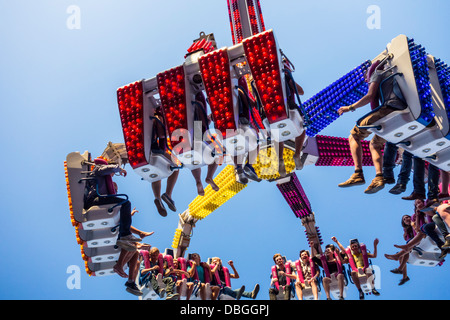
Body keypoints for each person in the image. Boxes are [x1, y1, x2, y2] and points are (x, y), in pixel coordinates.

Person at [337, 59, 407, 194]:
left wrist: (349, 107)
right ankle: (379, 177)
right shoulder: (395, 75)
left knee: (354, 136)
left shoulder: (377, 73)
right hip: (401, 113)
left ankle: (357, 173)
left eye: (365, 78)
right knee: (375, 144)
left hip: (388, 109)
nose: (365, 81)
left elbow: (370, 96)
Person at [84, 158, 144, 251]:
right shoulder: (97, 170)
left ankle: (123, 237)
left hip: (101, 199)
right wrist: (119, 169)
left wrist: (129, 213)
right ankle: (125, 235)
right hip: (95, 199)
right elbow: (107, 169)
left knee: (123, 206)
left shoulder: (105, 180)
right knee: (126, 203)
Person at [277, 58, 307, 175]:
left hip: (270, 109)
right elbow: (301, 91)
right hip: (288, 106)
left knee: (277, 134)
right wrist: (291, 80)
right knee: (301, 128)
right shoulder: (285, 75)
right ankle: (297, 154)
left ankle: (280, 158)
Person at [150, 107, 180, 217]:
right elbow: (162, 133)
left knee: (155, 174)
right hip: (156, 149)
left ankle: (157, 198)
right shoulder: (158, 118)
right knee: (176, 166)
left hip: (144, 153)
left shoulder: (143, 119)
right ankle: (168, 194)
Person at [190, 92, 220, 195]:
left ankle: (198, 181)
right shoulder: (198, 105)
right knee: (216, 155)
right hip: (198, 133)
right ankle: (209, 176)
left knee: (194, 161)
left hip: (185, 138)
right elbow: (204, 122)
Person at [388, 214, 415, 285]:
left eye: (407, 217)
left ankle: (400, 269)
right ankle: (404, 276)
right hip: (412, 245)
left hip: (419, 240)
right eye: (404, 219)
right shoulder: (407, 230)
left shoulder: (415, 222)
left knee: (403, 253)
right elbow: (407, 239)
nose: (406, 219)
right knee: (402, 255)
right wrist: (405, 233)